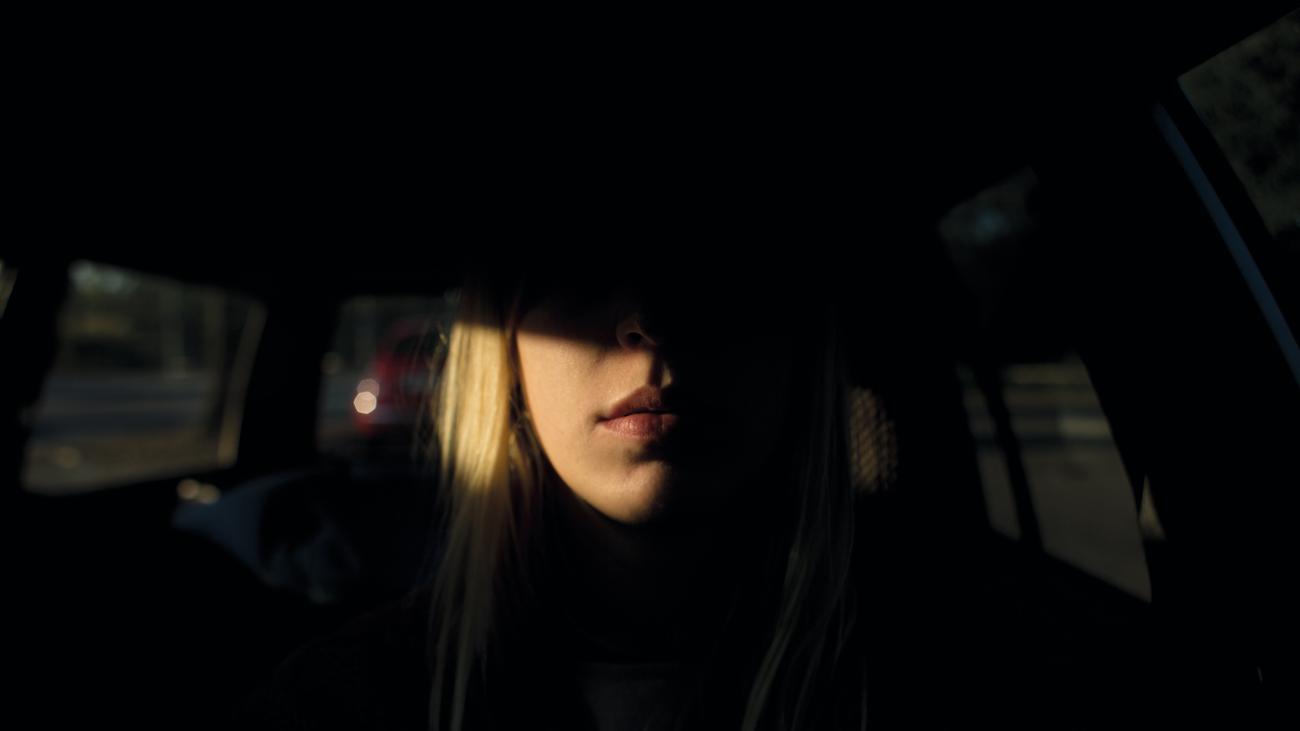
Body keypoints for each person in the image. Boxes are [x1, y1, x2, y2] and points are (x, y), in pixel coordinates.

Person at [233, 261, 876, 730]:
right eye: (580, 270)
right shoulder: (336, 701)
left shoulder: (912, 674)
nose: (650, 323)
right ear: (508, 354)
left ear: (802, 340)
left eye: (713, 269)